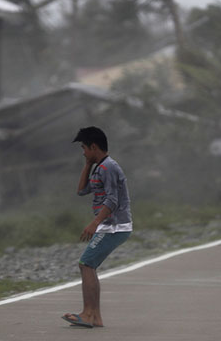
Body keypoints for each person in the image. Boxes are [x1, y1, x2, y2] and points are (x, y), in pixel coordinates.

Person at [62, 126, 133, 328]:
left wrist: (95, 223)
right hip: (109, 225)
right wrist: (87, 164)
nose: (83, 152)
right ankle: (94, 316)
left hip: (114, 226)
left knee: (86, 264)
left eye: (84, 148)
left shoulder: (108, 167)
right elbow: (81, 190)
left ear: (94, 146)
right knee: (88, 265)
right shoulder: (98, 167)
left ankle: (89, 314)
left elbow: (112, 200)